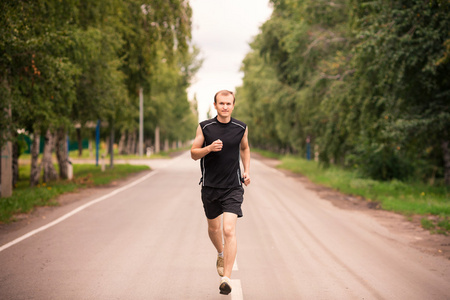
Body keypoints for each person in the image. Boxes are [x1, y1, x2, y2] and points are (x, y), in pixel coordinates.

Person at [191, 90, 251, 295]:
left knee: (228, 230)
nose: (225, 107)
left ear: (233, 105)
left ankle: (226, 277)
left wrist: (247, 171)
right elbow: (193, 153)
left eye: (229, 103)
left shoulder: (240, 128)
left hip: (233, 187)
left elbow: (244, 148)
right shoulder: (205, 127)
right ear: (215, 105)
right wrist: (208, 149)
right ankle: (220, 253)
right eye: (221, 103)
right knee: (214, 229)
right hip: (210, 187)